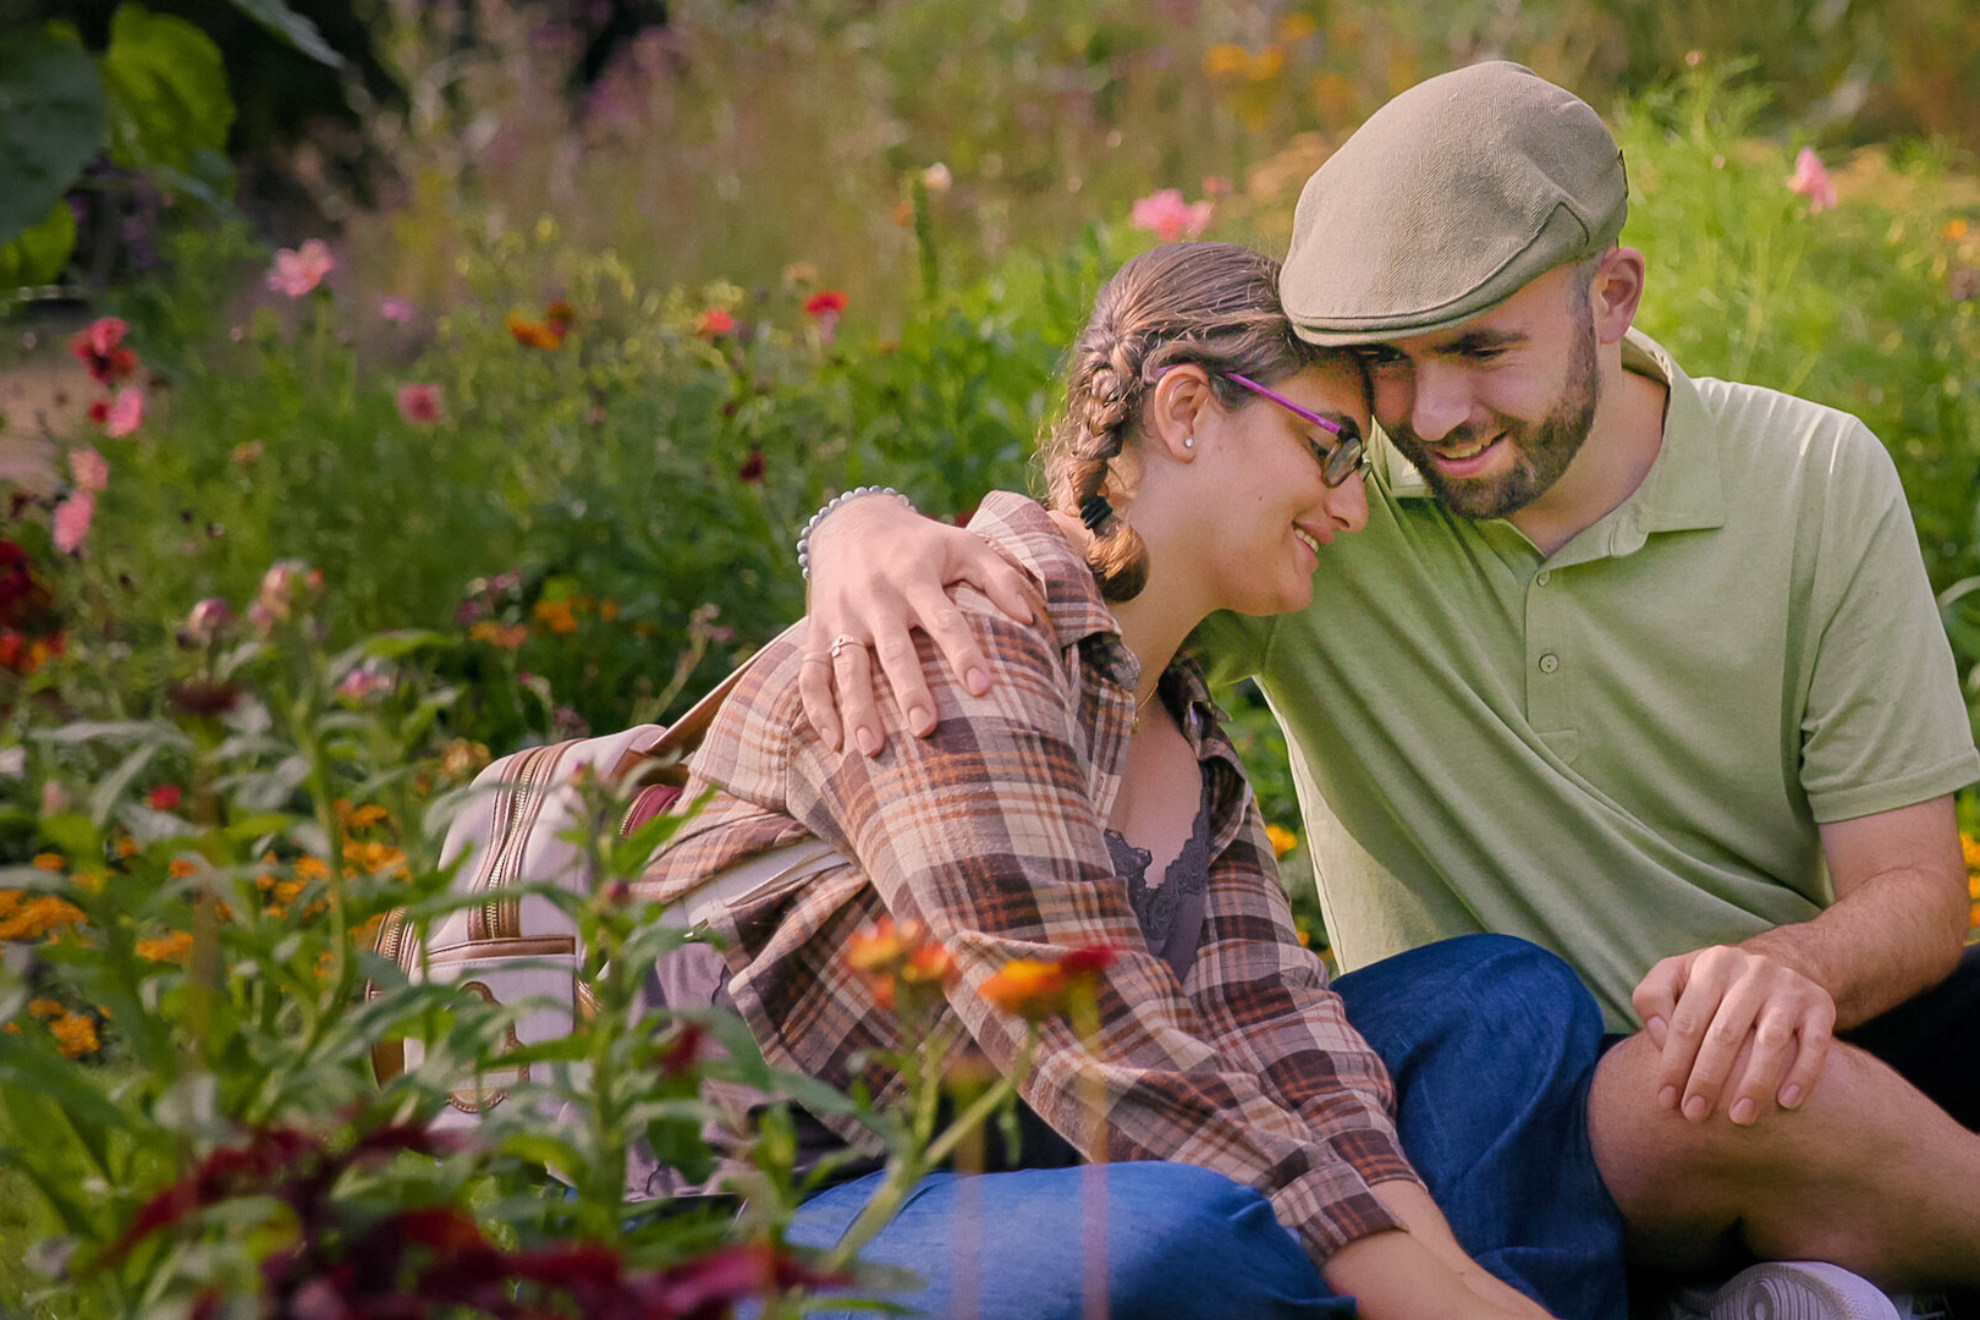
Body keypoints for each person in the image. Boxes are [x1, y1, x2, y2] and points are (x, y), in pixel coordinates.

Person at [795, 61, 1980, 1317]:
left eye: (1482, 347)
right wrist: (857, 528)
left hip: (1783, 1033)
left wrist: (1791, 969)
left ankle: (1798, 1276)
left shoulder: (1810, 472)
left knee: (1808, 1057)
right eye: (1389, 364)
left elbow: (1915, 897)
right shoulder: (1321, 513)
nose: (1435, 416)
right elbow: (1090, 561)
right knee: (1671, 1072)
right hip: (1533, 1090)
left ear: (1613, 295)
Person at [639, 242, 1626, 1320]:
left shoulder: (1186, 729)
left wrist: (1460, 1289)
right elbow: (1096, 1047)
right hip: (784, 1202)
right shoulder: (958, 640)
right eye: (1330, 450)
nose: (1351, 511)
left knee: (1503, 1001)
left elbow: (1277, 1033)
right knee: (1181, 1233)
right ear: (1188, 410)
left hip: (1012, 1147)